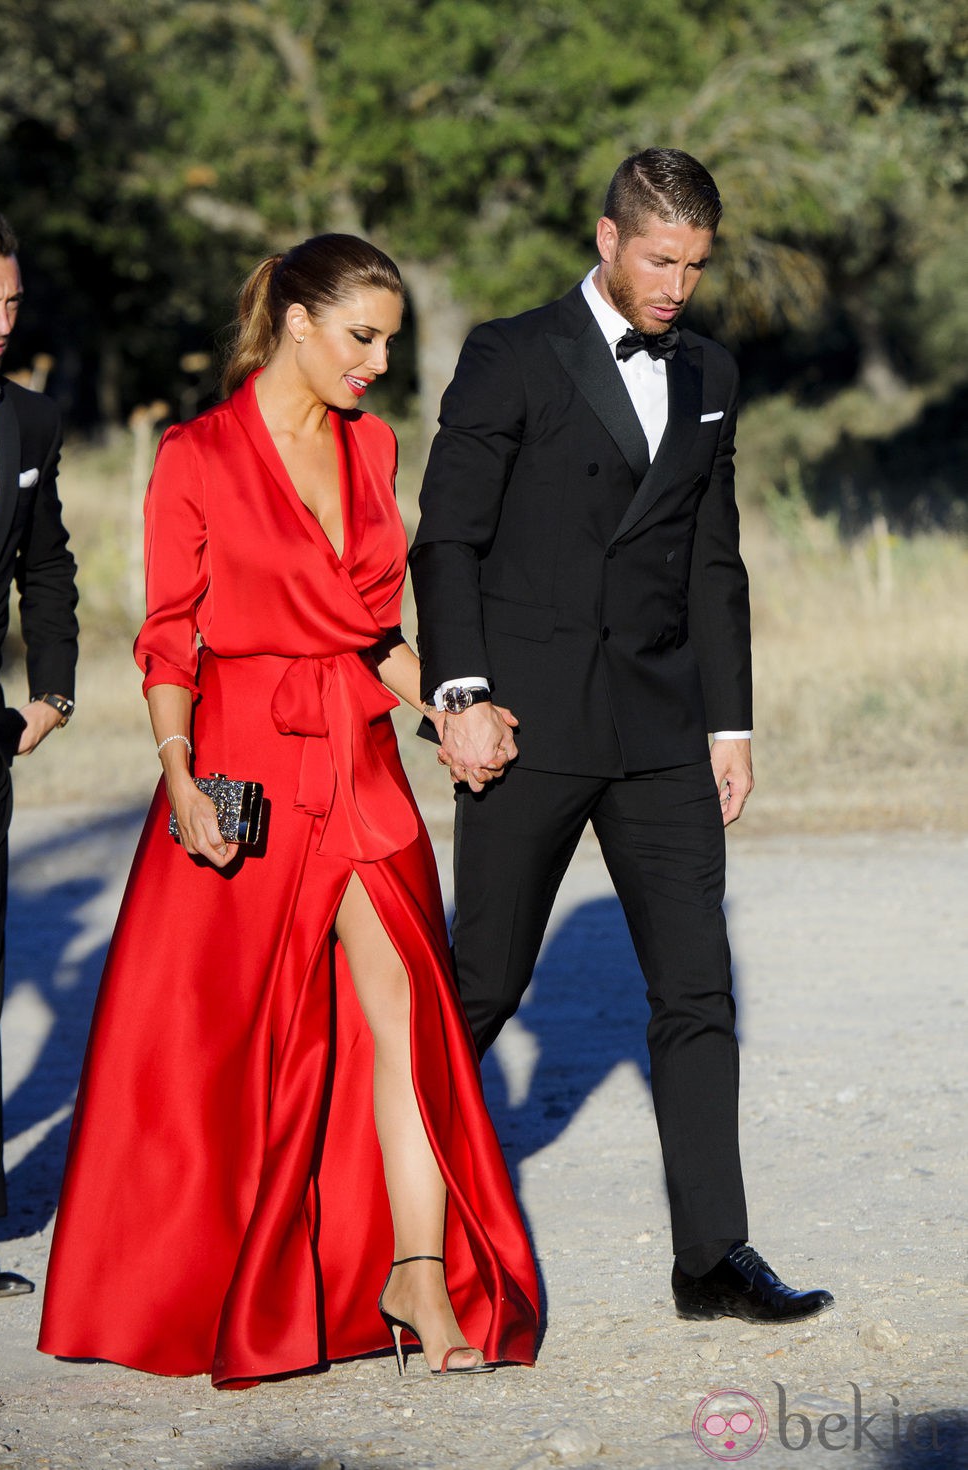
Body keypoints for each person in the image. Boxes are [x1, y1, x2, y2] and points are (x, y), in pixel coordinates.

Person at [38, 234, 538, 1386]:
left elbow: (374, 640)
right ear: (297, 322)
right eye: (360, 338)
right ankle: (204, 1287)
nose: (376, 364)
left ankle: (416, 1270)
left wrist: (454, 711)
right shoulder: (195, 455)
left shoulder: (372, 452)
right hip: (242, 771)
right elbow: (170, 636)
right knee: (224, 1048)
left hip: (360, 768)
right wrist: (177, 774)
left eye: (388, 344)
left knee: (406, 1020)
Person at [410, 150, 833, 1324]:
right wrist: (459, 695)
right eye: (658, 259)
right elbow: (445, 540)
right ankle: (374, 1218)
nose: (676, 287)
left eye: (694, 266)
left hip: (658, 727)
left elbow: (712, 554)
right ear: (605, 238)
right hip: (525, 721)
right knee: (481, 985)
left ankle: (713, 1258)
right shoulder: (508, 351)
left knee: (696, 993)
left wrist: (728, 722)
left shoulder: (709, 369)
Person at [0, 209, 78, 1300]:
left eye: (11, 302)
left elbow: (46, 566)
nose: (2, 323)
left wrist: (49, 689)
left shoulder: (33, 422)